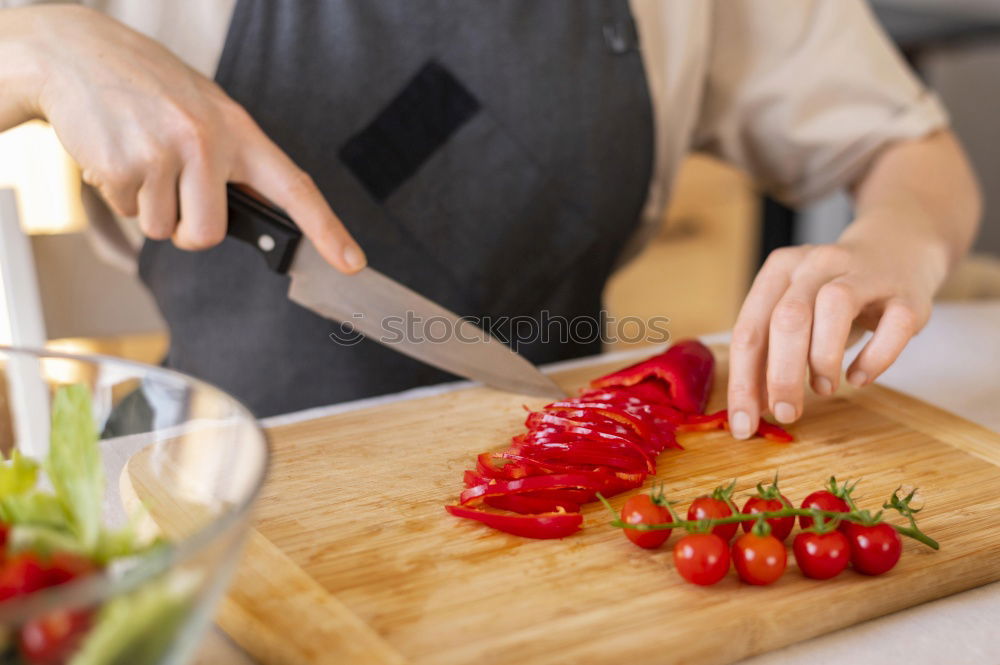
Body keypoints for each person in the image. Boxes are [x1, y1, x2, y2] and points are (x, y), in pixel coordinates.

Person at [0, 1, 980, 435]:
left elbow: (909, 150)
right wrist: (42, 45)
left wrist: (886, 246)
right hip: (218, 483)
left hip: (568, 460)